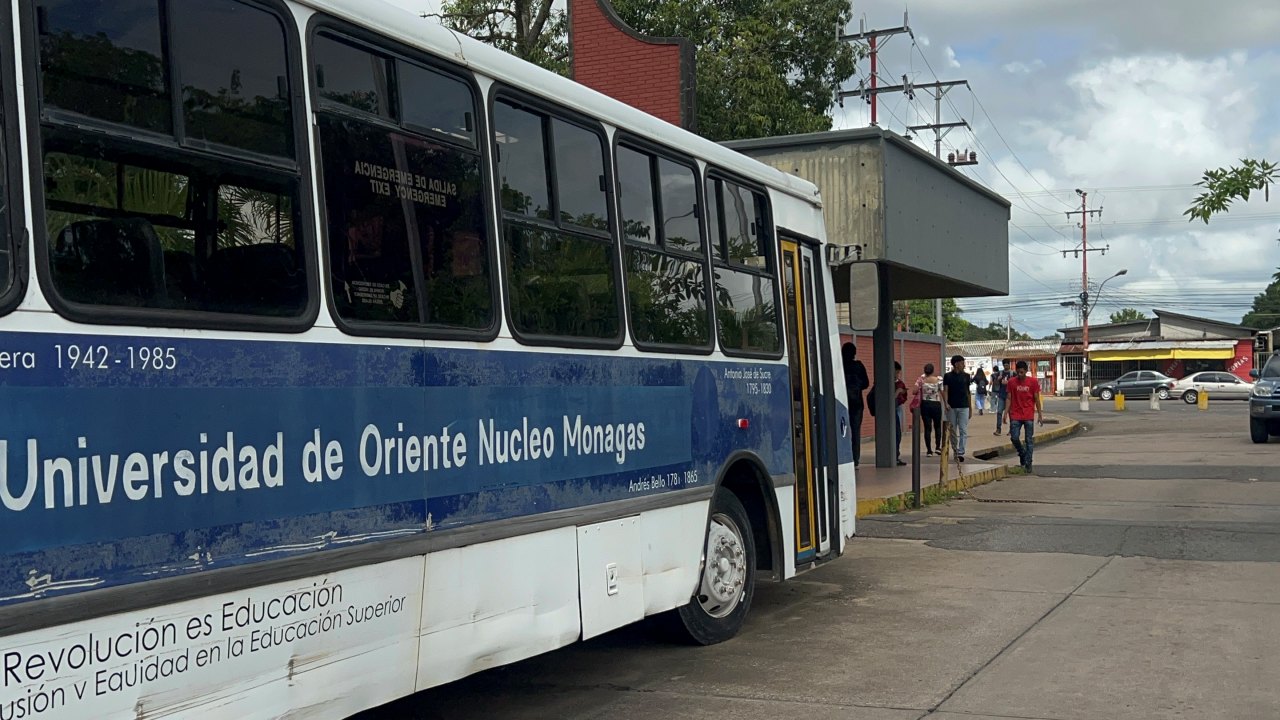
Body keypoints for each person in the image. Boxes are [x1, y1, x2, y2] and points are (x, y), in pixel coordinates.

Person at [1004, 360, 1044, 473]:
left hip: (1028, 415)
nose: (1020, 375)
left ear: (1026, 371)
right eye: (1018, 372)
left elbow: (1036, 399)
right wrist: (1005, 413)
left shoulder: (1033, 382)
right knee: (1014, 437)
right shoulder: (1012, 382)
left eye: (1022, 372)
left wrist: (1040, 415)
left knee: (1028, 440)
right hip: (1015, 414)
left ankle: (1028, 462)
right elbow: (1009, 398)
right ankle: (1022, 453)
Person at [841, 343, 869, 467]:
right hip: (857, 403)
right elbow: (866, 383)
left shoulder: (839, 366)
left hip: (841, 402)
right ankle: (855, 459)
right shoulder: (858, 366)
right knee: (855, 431)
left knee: (841, 430)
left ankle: (843, 456)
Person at [942, 355, 972, 462]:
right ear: (956, 364)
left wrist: (970, 408)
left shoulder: (967, 376)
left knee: (963, 429)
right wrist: (946, 403)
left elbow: (968, 393)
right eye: (962, 363)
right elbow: (945, 390)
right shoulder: (948, 376)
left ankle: (961, 451)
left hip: (964, 406)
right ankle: (955, 450)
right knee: (953, 430)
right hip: (952, 407)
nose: (964, 365)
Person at [915, 363, 944, 456]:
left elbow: (914, 391)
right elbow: (942, 392)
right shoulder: (939, 380)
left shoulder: (921, 380)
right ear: (933, 371)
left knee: (927, 428)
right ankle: (938, 447)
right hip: (936, 404)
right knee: (938, 426)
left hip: (925, 404)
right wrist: (946, 404)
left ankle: (929, 450)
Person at [893, 361, 908, 466]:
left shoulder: (900, 383)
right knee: (895, 432)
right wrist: (897, 392)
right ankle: (893, 455)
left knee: (898, 432)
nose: (898, 374)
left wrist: (902, 393)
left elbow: (904, 397)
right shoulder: (885, 382)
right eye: (896, 372)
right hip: (892, 407)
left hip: (898, 406)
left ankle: (896, 455)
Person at [991, 363, 1010, 435]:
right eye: (1004, 365)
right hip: (1001, 395)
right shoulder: (1000, 373)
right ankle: (998, 429)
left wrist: (1009, 382)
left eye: (1007, 365)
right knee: (999, 412)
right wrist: (997, 379)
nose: (1005, 366)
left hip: (1010, 396)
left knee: (1010, 413)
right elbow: (995, 383)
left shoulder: (1012, 373)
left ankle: (1011, 430)